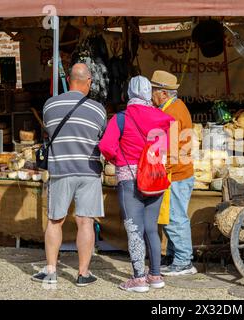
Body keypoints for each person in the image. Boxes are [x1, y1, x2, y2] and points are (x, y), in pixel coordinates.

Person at [32, 63, 106, 286]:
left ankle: (51, 270)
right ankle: (83, 274)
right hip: (89, 171)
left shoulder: (50, 105)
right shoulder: (98, 109)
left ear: (71, 79)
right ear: (88, 82)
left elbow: (49, 129)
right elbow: (101, 136)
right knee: (85, 222)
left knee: (55, 221)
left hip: (61, 170)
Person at [99, 76, 173, 293]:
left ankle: (139, 279)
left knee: (134, 229)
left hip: (129, 178)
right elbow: (170, 150)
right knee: (151, 228)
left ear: (129, 93)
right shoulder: (165, 118)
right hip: (156, 179)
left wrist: (117, 159)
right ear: (149, 93)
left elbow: (106, 146)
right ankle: (156, 275)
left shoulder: (121, 119)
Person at [150, 70, 197, 276]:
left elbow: (171, 150)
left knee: (174, 218)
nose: (151, 95)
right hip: (179, 172)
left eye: (153, 91)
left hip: (175, 173)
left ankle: (184, 261)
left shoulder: (172, 113)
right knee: (173, 216)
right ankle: (173, 257)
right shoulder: (176, 107)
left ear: (162, 93)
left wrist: (161, 171)